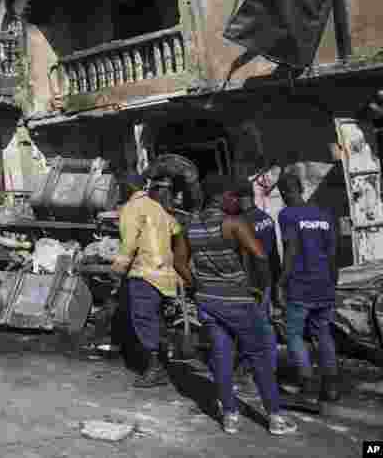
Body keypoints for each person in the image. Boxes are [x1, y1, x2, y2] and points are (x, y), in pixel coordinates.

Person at [174, 173, 297, 435]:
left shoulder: (189, 225)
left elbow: (179, 263)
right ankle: (275, 417)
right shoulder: (233, 224)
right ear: (222, 197)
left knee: (221, 357)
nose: (236, 200)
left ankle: (230, 416)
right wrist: (262, 288)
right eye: (232, 196)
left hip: (208, 301)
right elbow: (260, 257)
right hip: (238, 301)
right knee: (259, 357)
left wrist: (197, 284)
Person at [111, 173, 183, 387]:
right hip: (164, 274)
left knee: (143, 319)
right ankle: (162, 360)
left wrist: (117, 269)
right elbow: (177, 229)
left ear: (127, 187)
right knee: (155, 319)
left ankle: (155, 369)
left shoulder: (130, 209)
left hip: (144, 272)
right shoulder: (156, 206)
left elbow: (129, 244)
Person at [277, 171, 340, 407]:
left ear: (283, 192)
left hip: (300, 286)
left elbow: (291, 250)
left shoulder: (287, 215)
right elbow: (333, 252)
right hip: (324, 284)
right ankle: (331, 387)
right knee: (323, 333)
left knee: (293, 334)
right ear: (301, 188)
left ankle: (307, 387)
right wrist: (333, 282)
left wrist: (280, 282)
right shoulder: (324, 214)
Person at [230, 178, 282, 389]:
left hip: (251, 282)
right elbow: (274, 254)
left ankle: (254, 371)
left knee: (252, 326)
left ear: (239, 198)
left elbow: (242, 257)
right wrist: (276, 281)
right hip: (267, 278)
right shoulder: (266, 218)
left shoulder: (241, 222)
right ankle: (269, 367)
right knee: (265, 324)